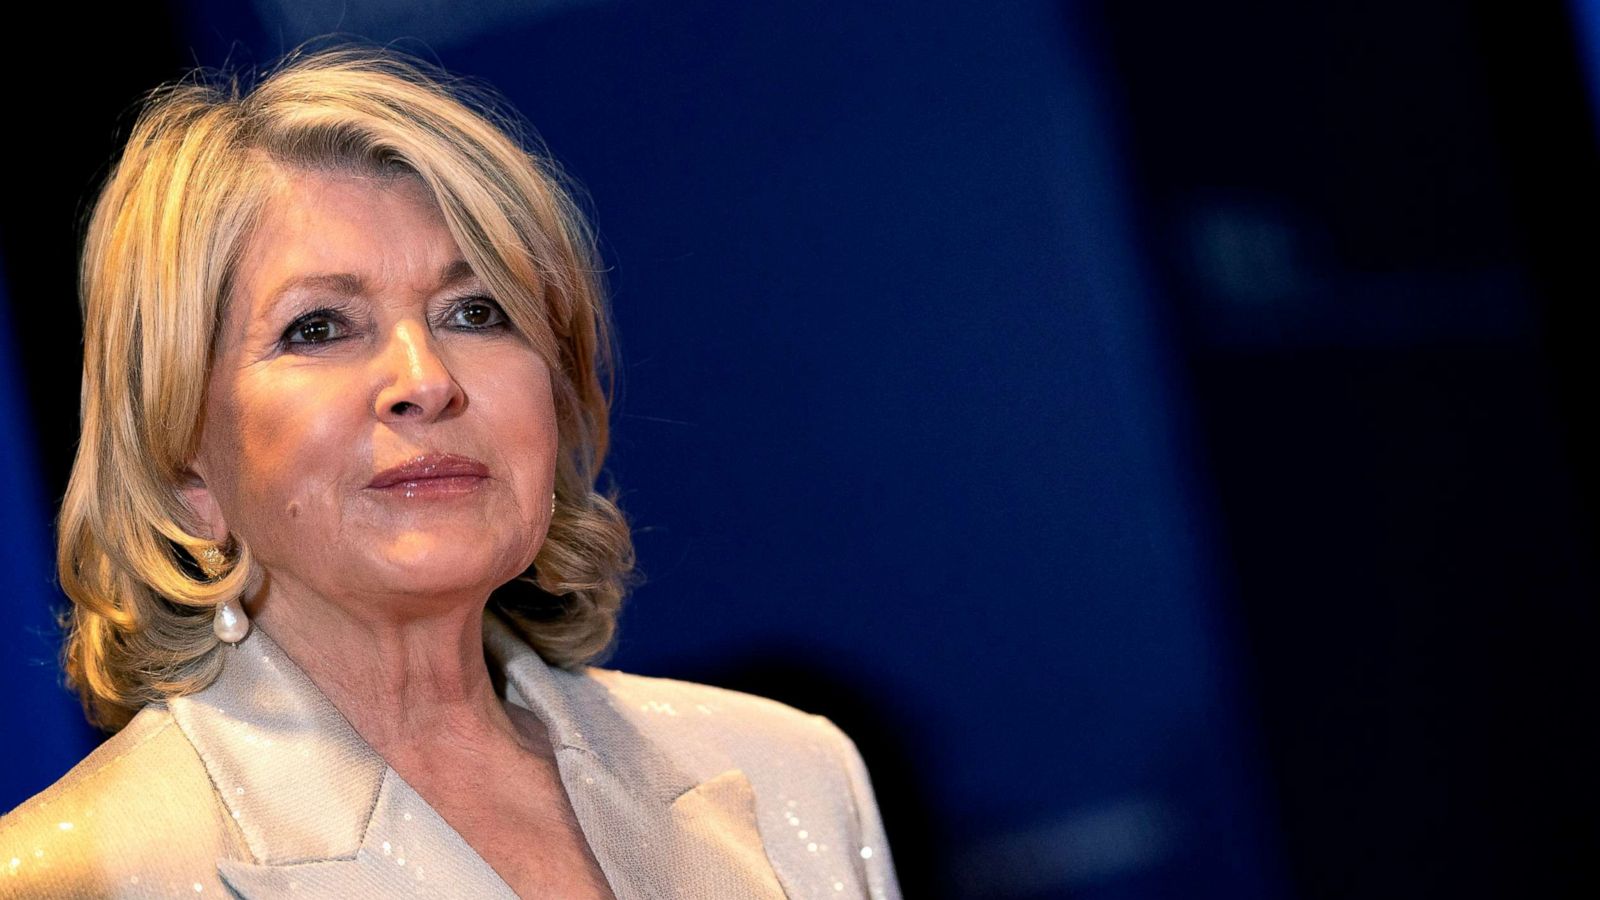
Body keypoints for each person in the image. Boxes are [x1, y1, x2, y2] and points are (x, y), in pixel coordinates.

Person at [0, 43, 900, 899]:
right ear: (183, 464)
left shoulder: (797, 779)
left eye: (476, 312)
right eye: (318, 327)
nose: (426, 382)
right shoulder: (79, 875)